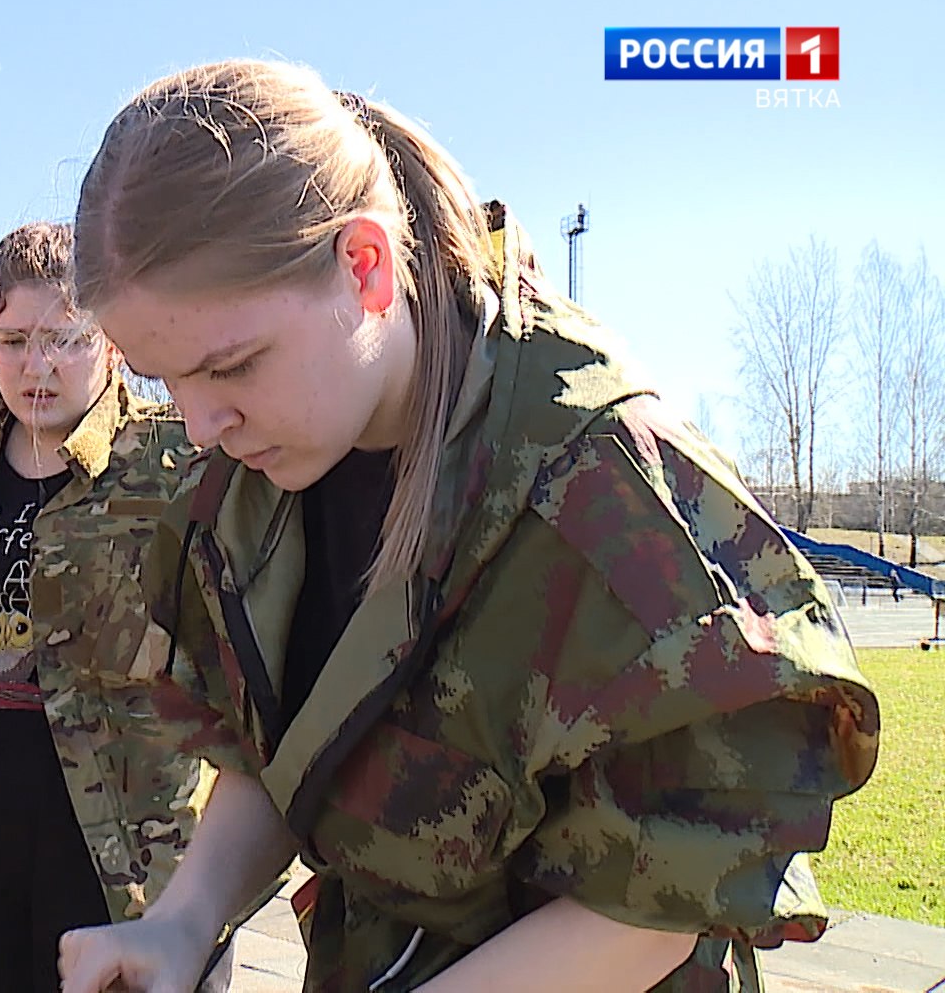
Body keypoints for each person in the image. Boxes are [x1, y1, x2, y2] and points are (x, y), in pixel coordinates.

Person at [54, 61, 880, 993]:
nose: (202, 424)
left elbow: (670, 893)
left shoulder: (595, 480)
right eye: (165, 379)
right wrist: (183, 919)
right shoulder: (259, 485)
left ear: (364, 266)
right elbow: (283, 747)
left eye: (231, 365)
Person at [0, 222, 223, 993]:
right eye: (13, 340)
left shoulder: (176, 466)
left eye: (66, 338)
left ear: (113, 340)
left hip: (121, 837)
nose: (38, 366)